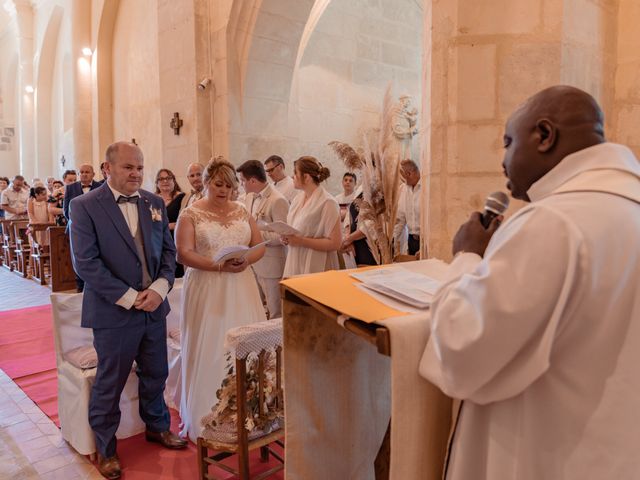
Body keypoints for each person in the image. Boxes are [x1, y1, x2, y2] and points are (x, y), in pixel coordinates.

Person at [419, 86, 640, 480]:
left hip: (542, 453)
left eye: (507, 143)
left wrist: (467, 255)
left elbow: (462, 349)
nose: (503, 162)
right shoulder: (627, 206)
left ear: (544, 135)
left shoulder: (554, 221)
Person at [69, 141, 186, 479]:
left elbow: (167, 253)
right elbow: (86, 264)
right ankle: (106, 448)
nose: (136, 173)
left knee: (156, 372)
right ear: (108, 168)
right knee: (111, 381)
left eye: (139, 167)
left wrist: (159, 290)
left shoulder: (153, 202)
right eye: (128, 167)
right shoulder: (85, 205)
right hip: (113, 312)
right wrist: (131, 297)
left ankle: (158, 427)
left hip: (153, 309)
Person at [175, 158, 266, 442]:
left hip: (241, 284)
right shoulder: (191, 214)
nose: (224, 190)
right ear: (206, 182)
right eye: (218, 184)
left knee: (244, 341)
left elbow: (258, 245)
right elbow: (184, 253)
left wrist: (244, 260)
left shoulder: (242, 211)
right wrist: (217, 266)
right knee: (212, 341)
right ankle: (208, 409)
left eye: (229, 185)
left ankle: (248, 405)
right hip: (207, 286)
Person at [237, 159, 289, 318]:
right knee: (256, 309)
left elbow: (283, 236)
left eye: (243, 181)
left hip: (271, 265)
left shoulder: (277, 200)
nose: (241, 185)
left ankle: (278, 343)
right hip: (251, 262)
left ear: (252, 180)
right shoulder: (247, 197)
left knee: (275, 312)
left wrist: (254, 234)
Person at [281, 156, 342, 277]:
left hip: (317, 264)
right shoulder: (298, 199)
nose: (292, 176)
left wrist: (300, 241)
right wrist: (286, 237)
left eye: (295, 172)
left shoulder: (328, 202)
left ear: (306, 177)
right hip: (296, 259)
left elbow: (335, 243)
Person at [64, 164, 101, 292]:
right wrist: (78, 225)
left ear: (93, 174)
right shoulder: (70, 188)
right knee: (78, 257)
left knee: (95, 257)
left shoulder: (100, 187)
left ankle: (95, 285)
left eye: (87, 172)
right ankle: (80, 286)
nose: (84, 174)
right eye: (81, 172)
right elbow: (65, 211)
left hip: (97, 229)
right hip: (76, 230)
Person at [155, 168, 185, 278]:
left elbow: (188, 222)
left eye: (168, 178)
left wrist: (169, 225)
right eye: (161, 179)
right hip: (159, 243)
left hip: (176, 241)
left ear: (174, 180)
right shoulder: (152, 199)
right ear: (157, 183)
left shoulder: (183, 198)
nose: (165, 181)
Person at [393, 159, 421, 255]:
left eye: (403, 178)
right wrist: (392, 240)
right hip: (411, 240)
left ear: (409, 174)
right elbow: (400, 218)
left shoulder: (426, 187)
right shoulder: (404, 189)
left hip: (424, 240)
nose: (403, 182)